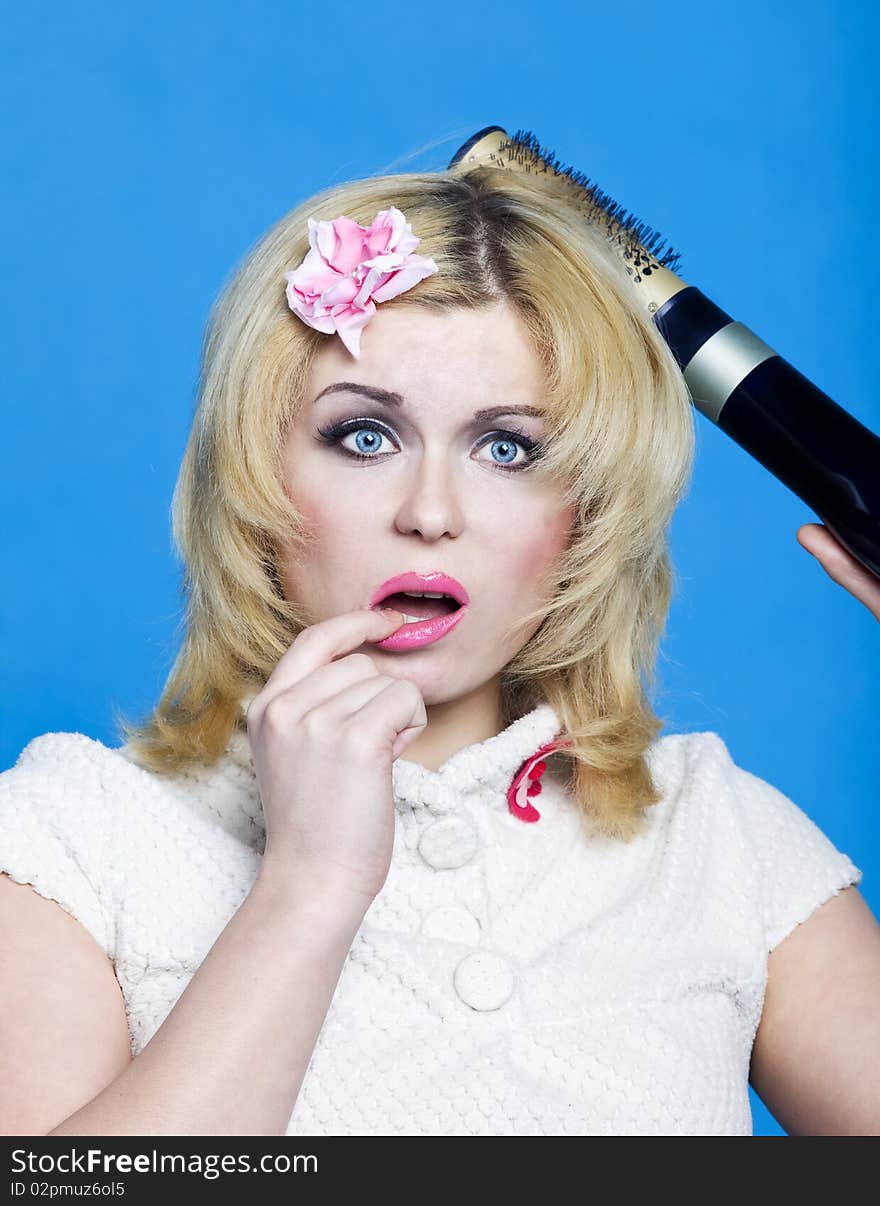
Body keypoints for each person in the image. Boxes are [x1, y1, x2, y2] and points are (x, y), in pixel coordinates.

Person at [1, 165, 878, 1138]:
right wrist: (305, 891)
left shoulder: (725, 840)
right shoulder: (70, 838)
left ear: (588, 512)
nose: (429, 514)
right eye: (365, 436)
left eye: (507, 449)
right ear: (256, 472)